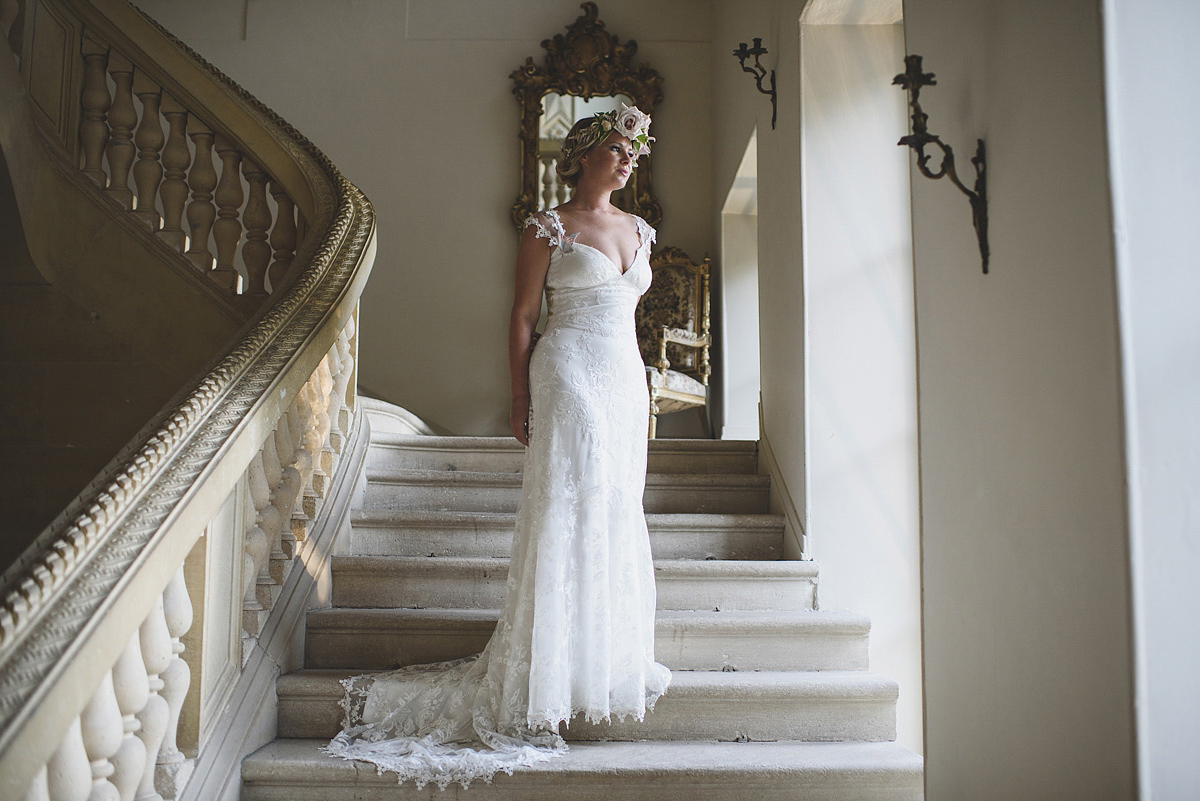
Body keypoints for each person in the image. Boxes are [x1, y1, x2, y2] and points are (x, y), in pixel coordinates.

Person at [323, 104, 669, 789]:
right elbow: (520, 316)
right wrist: (520, 396)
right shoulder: (549, 227)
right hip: (567, 368)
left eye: (635, 151)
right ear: (584, 154)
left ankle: (593, 660)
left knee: (612, 509)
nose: (629, 159)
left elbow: (629, 313)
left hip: (625, 379)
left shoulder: (641, 230)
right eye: (618, 148)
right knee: (569, 506)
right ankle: (539, 670)